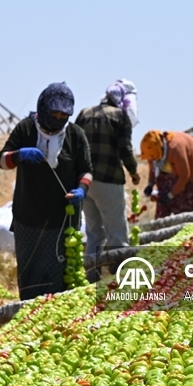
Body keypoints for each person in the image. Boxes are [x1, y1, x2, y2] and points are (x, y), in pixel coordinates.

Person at [0, 82, 92, 300]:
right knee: (30, 272)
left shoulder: (76, 135)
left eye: (63, 116)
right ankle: (28, 318)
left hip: (62, 221)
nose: (58, 120)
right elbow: (2, 161)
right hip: (28, 216)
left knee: (57, 277)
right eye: (54, 114)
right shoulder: (26, 129)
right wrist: (19, 154)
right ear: (42, 109)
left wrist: (81, 191)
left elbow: (86, 171)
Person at [74, 80, 141, 259]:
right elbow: (124, 149)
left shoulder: (85, 113)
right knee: (117, 233)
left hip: (84, 182)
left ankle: (91, 278)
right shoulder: (120, 116)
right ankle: (119, 278)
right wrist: (133, 171)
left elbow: (73, 144)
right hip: (108, 179)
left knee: (94, 233)